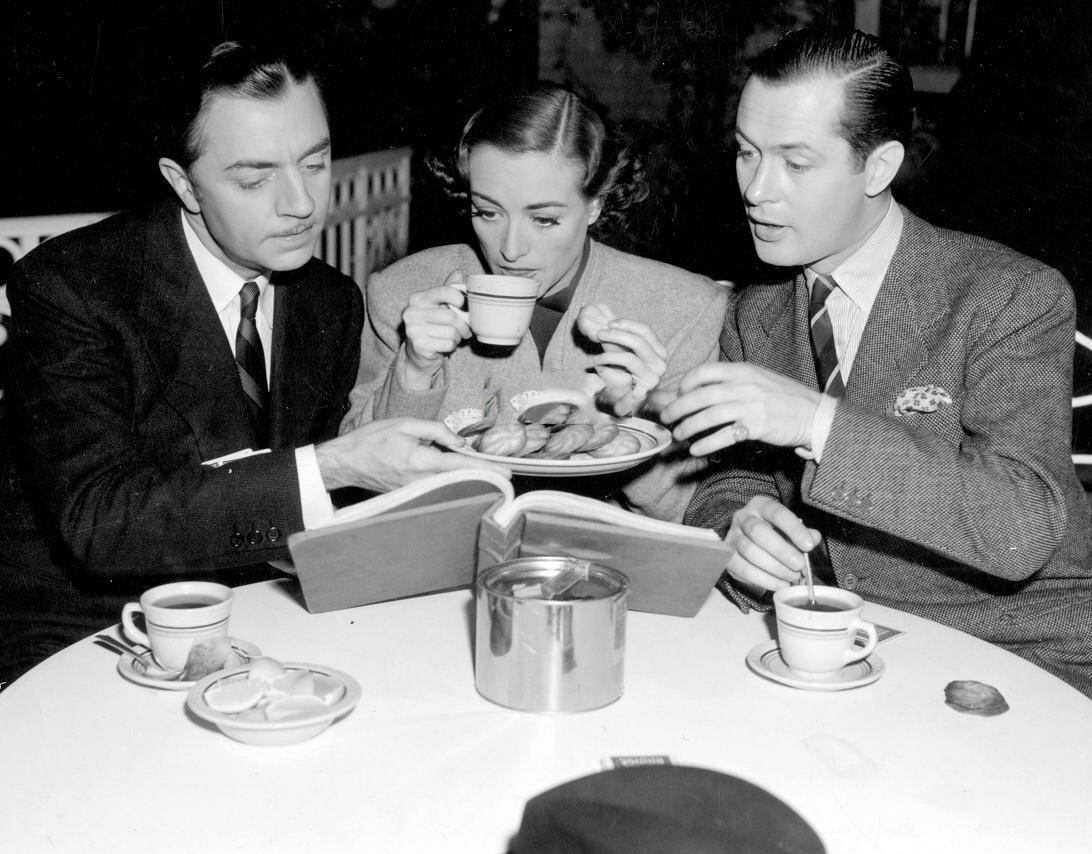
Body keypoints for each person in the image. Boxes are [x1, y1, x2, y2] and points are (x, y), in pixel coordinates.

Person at [0, 41, 497, 688]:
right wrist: (338, 464)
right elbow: (103, 522)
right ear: (184, 184)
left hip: (256, 624)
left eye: (315, 163)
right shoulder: (73, 287)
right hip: (85, 634)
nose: (300, 203)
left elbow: (309, 507)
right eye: (254, 178)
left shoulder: (327, 300)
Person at [661, 28, 1092, 695]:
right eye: (746, 153)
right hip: (863, 647)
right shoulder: (759, 311)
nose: (756, 188)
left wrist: (817, 422)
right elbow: (731, 479)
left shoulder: (1006, 296)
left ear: (880, 167)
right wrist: (737, 527)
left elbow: (1022, 526)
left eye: (795, 162)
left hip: (1031, 659)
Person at [345, 83, 727, 521]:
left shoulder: (685, 308)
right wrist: (414, 373)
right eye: (487, 212)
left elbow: (698, 515)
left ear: (596, 206)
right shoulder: (401, 293)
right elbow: (354, 495)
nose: (510, 249)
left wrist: (635, 418)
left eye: (544, 219)